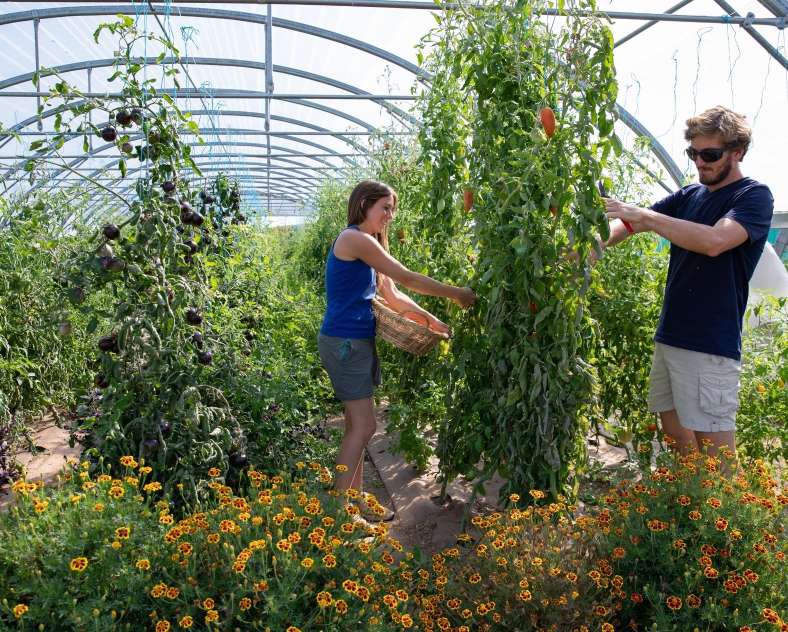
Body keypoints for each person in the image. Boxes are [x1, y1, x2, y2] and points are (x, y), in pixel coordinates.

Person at [600, 106, 773, 458]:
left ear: (737, 152)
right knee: (678, 440)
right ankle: (689, 510)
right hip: (672, 335)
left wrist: (646, 217)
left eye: (710, 154)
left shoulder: (753, 196)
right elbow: (630, 224)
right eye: (693, 153)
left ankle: (725, 513)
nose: (700, 163)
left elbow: (714, 242)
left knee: (716, 456)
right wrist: (591, 246)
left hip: (710, 343)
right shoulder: (689, 196)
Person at [318, 180, 476, 520]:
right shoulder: (354, 239)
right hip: (345, 343)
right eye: (384, 208)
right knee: (364, 427)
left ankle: (353, 502)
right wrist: (457, 293)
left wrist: (430, 320)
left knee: (355, 427)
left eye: (392, 209)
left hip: (354, 342)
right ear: (364, 205)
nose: (390, 216)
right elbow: (408, 278)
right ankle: (340, 513)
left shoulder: (367, 244)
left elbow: (392, 295)